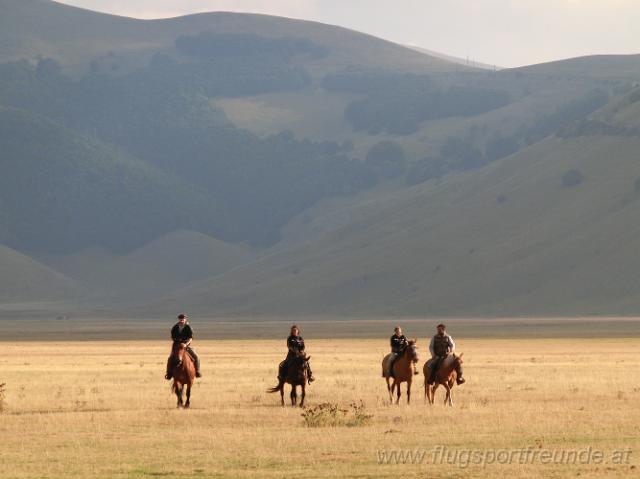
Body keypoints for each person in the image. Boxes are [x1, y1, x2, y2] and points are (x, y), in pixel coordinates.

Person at [165, 313, 201, 379]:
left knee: (196, 357)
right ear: (179, 319)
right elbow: (172, 337)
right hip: (176, 346)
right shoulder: (175, 327)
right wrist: (177, 341)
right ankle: (169, 373)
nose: (181, 320)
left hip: (185, 346)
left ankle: (197, 371)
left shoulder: (188, 327)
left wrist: (186, 344)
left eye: (183, 319)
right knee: (170, 358)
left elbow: (191, 338)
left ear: (185, 319)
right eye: (180, 319)